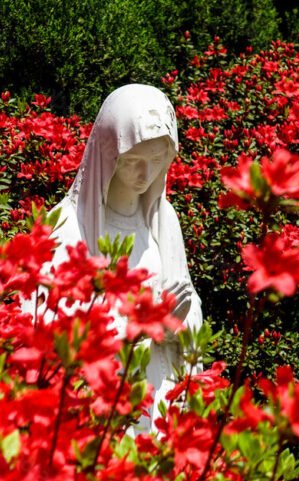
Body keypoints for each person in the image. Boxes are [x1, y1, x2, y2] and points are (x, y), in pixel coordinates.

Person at [46, 84, 202, 435]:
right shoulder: (67, 226)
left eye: (157, 160)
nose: (145, 175)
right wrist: (139, 329)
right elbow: (48, 320)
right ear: (109, 153)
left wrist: (181, 319)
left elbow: (189, 304)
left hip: (157, 390)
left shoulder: (165, 221)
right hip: (99, 401)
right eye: (133, 162)